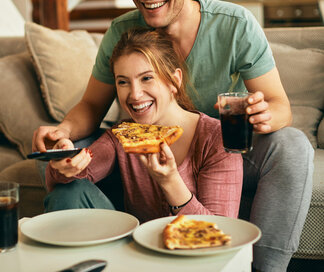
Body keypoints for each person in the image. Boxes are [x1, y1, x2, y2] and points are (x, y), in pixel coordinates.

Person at [32, 0, 313, 272]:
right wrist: (62, 135)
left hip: (221, 142)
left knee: (292, 146)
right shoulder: (123, 30)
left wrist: (263, 115)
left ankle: (265, 268)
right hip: (144, 141)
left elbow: (279, 105)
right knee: (56, 159)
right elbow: (91, 106)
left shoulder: (235, 24)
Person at [44, 28, 243, 222]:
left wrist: (171, 181)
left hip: (194, 250)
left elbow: (220, 231)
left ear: (174, 81)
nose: (135, 94)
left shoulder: (218, 138)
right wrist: (64, 161)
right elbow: (71, 179)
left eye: (146, 78)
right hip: (135, 248)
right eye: (123, 82)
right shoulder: (122, 134)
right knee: (68, 191)